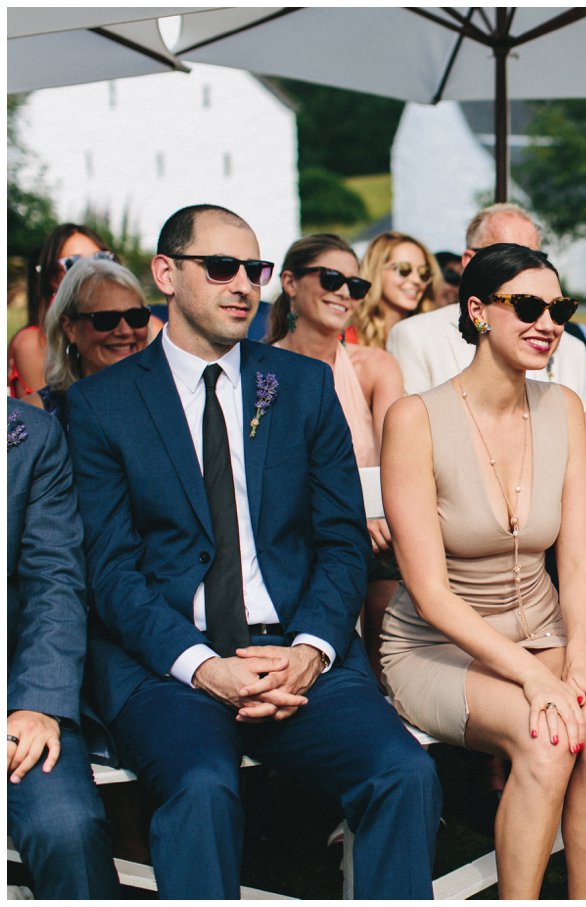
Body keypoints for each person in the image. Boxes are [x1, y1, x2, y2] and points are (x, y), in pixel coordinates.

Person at [65, 204, 440, 898]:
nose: (244, 284)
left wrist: (310, 651)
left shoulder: (297, 385)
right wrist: (205, 667)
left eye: (255, 270)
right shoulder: (100, 405)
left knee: (404, 772)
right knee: (203, 787)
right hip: (170, 663)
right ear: (166, 273)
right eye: (222, 267)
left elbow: (339, 539)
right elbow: (111, 572)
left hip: (296, 647)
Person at [378, 242, 586, 898]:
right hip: (437, 646)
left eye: (560, 308)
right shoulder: (415, 419)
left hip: (541, 630)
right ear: (479, 311)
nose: (549, 322)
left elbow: (577, 560)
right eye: (528, 306)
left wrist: (580, 655)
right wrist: (534, 680)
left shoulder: (563, 407)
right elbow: (429, 594)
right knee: (547, 736)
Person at [266, 233, 407, 667]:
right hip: (295, 531)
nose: (345, 292)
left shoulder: (375, 367)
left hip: (376, 530)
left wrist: (371, 516)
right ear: (290, 283)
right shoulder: (261, 371)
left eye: (357, 285)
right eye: (331, 279)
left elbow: (396, 462)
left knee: (389, 579)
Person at [7, 398, 119, 898]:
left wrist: (37, 704)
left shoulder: (28, 434)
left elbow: (53, 580)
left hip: (15, 692)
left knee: (68, 829)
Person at [388, 204, 586, 407]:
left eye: (536, 257)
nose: (527, 267)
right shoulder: (417, 337)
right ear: (469, 261)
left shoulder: (572, 350)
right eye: (508, 256)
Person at [30, 258, 152, 423]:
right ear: (70, 328)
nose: (125, 331)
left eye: (135, 317)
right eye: (106, 319)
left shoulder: (171, 398)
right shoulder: (37, 414)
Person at [12, 224, 117, 399]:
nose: (93, 271)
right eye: (74, 263)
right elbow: (49, 420)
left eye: (101, 259)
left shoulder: (138, 325)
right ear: (53, 279)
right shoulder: (32, 343)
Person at [353, 231, 443, 349]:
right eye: (404, 269)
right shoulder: (348, 339)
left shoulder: (432, 338)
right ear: (376, 271)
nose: (417, 280)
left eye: (423, 273)